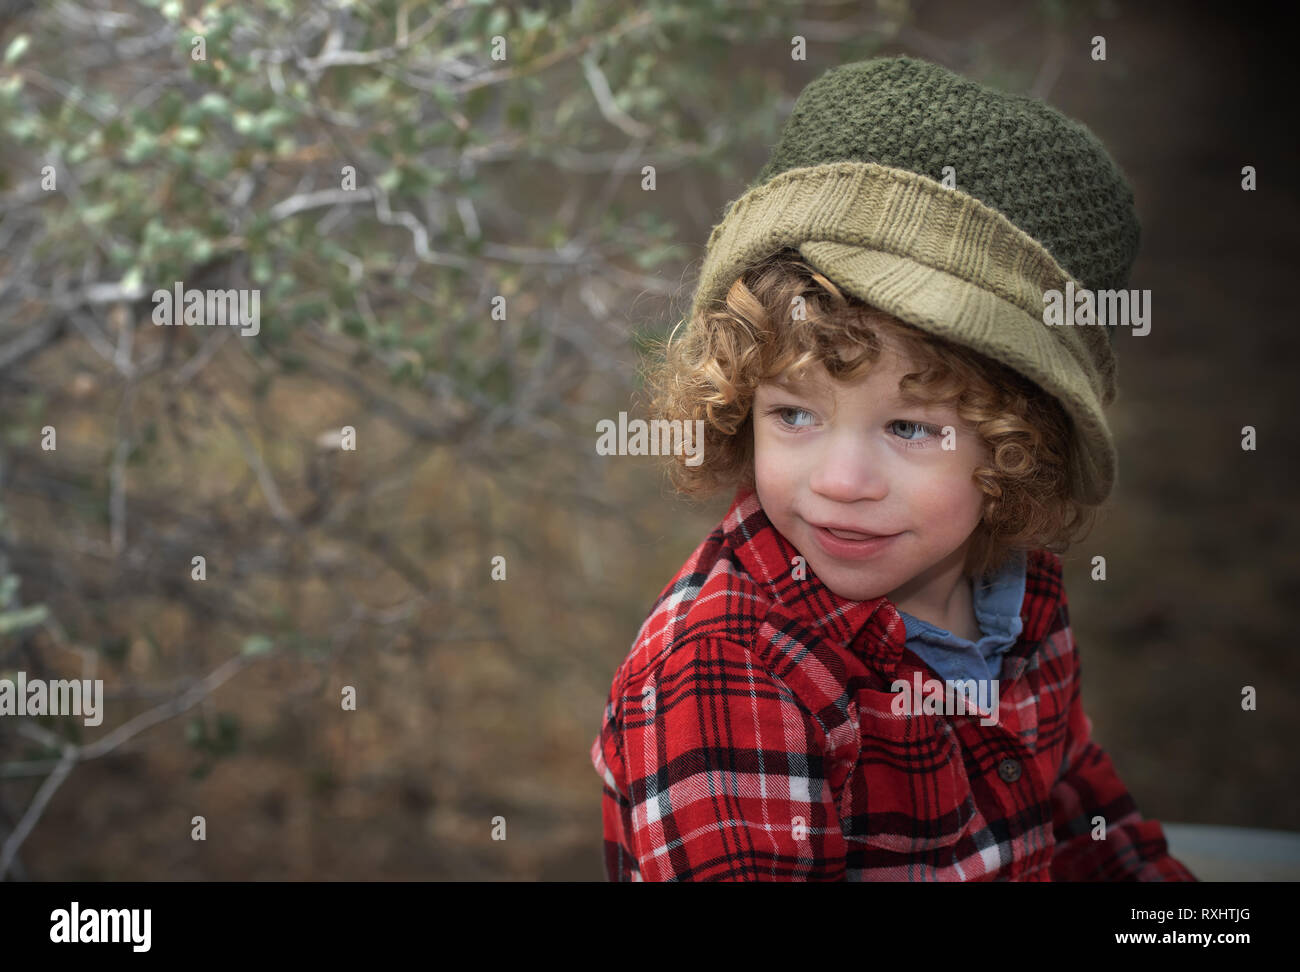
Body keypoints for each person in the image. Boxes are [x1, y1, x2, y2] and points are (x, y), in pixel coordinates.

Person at [590, 55, 1196, 881]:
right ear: (739, 405)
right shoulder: (730, 669)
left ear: (1018, 450)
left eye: (910, 427)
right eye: (794, 414)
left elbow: (1083, 815)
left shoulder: (1015, 600)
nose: (840, 481)